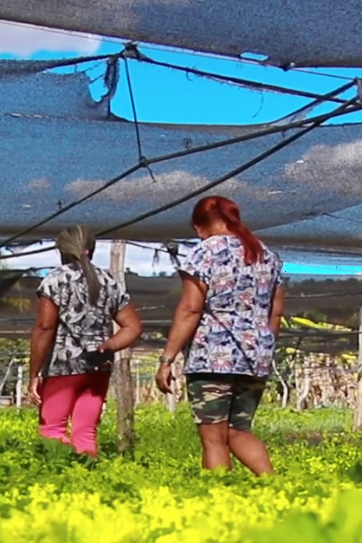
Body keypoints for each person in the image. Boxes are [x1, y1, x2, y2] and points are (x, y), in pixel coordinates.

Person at [154, 195, 285, 475]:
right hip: (255, 356)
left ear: (199, 226)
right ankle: (274, 485)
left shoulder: (204, 252)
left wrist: (167, 359)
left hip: (212, 357)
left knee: (213, 438)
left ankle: (219, 493)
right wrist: (262, 348)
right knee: (238, 431)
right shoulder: (265, 254)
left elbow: (191, 309)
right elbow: (275, 313)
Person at [28, 225, 143, 456]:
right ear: (91, 248)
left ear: (62, 250)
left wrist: (34, 374)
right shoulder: (109, 281)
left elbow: (45, 326)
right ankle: (87, 473)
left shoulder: (56, 280)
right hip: (98, 367)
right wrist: (107, 346)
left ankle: (60, 475)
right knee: (85, 432)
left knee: (52, 429)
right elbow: (133, 327)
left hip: (63, 366)